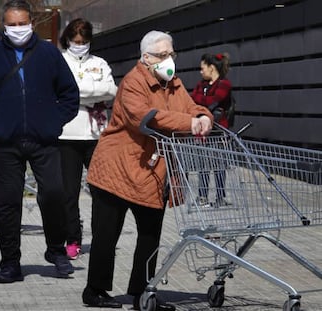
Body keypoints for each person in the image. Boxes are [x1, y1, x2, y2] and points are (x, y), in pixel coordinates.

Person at [81, 30, 213, 310]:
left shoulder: (173, 82)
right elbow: (144, 118)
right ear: (146, 58)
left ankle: (143, 292)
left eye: (172, 54)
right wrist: (188, 124)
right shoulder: (133, 82)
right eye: (163, 55)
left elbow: (190, 107)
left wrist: (202, 116)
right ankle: (94, 290)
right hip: (116, 168)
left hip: (152, 172)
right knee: (107, 233)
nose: (169, 60)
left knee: (150, 233)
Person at [0, 0, 80, 283]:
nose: (17, 29)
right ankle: (10, 263)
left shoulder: (49, 54)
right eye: (12, 25)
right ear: (4, 25)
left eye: (22, 24)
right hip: (7, 143)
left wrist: (54, 121)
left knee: (54, 194)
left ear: (32, 23)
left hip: (44, 141)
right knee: (7, 204)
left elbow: (69, 95)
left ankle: (56, 250)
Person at [58, 18, 117, 260]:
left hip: (96, 135)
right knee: (68, 193)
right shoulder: (59, 62)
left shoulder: (100, 63)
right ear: (68, 40)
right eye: (76, 41)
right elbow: (59, 91)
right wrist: (93, 94)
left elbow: (111, 91)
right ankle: (72, 237)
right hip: (66, 135)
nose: (80, 45)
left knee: (101, 191)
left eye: (84, 42)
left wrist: (77, 94)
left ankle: (101, 237)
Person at [191, 52, 232, 207]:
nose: (201, 72)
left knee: (219, 165)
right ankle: (202, 196)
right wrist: (202, 101)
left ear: (212, 67)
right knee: (203, 165)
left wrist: (201, 102)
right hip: (204, 132)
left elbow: (214, 100)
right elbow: (192, 99)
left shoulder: (224, 84)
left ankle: (220, 197)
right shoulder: (201, 85)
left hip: (219, 131)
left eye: (203, 68)